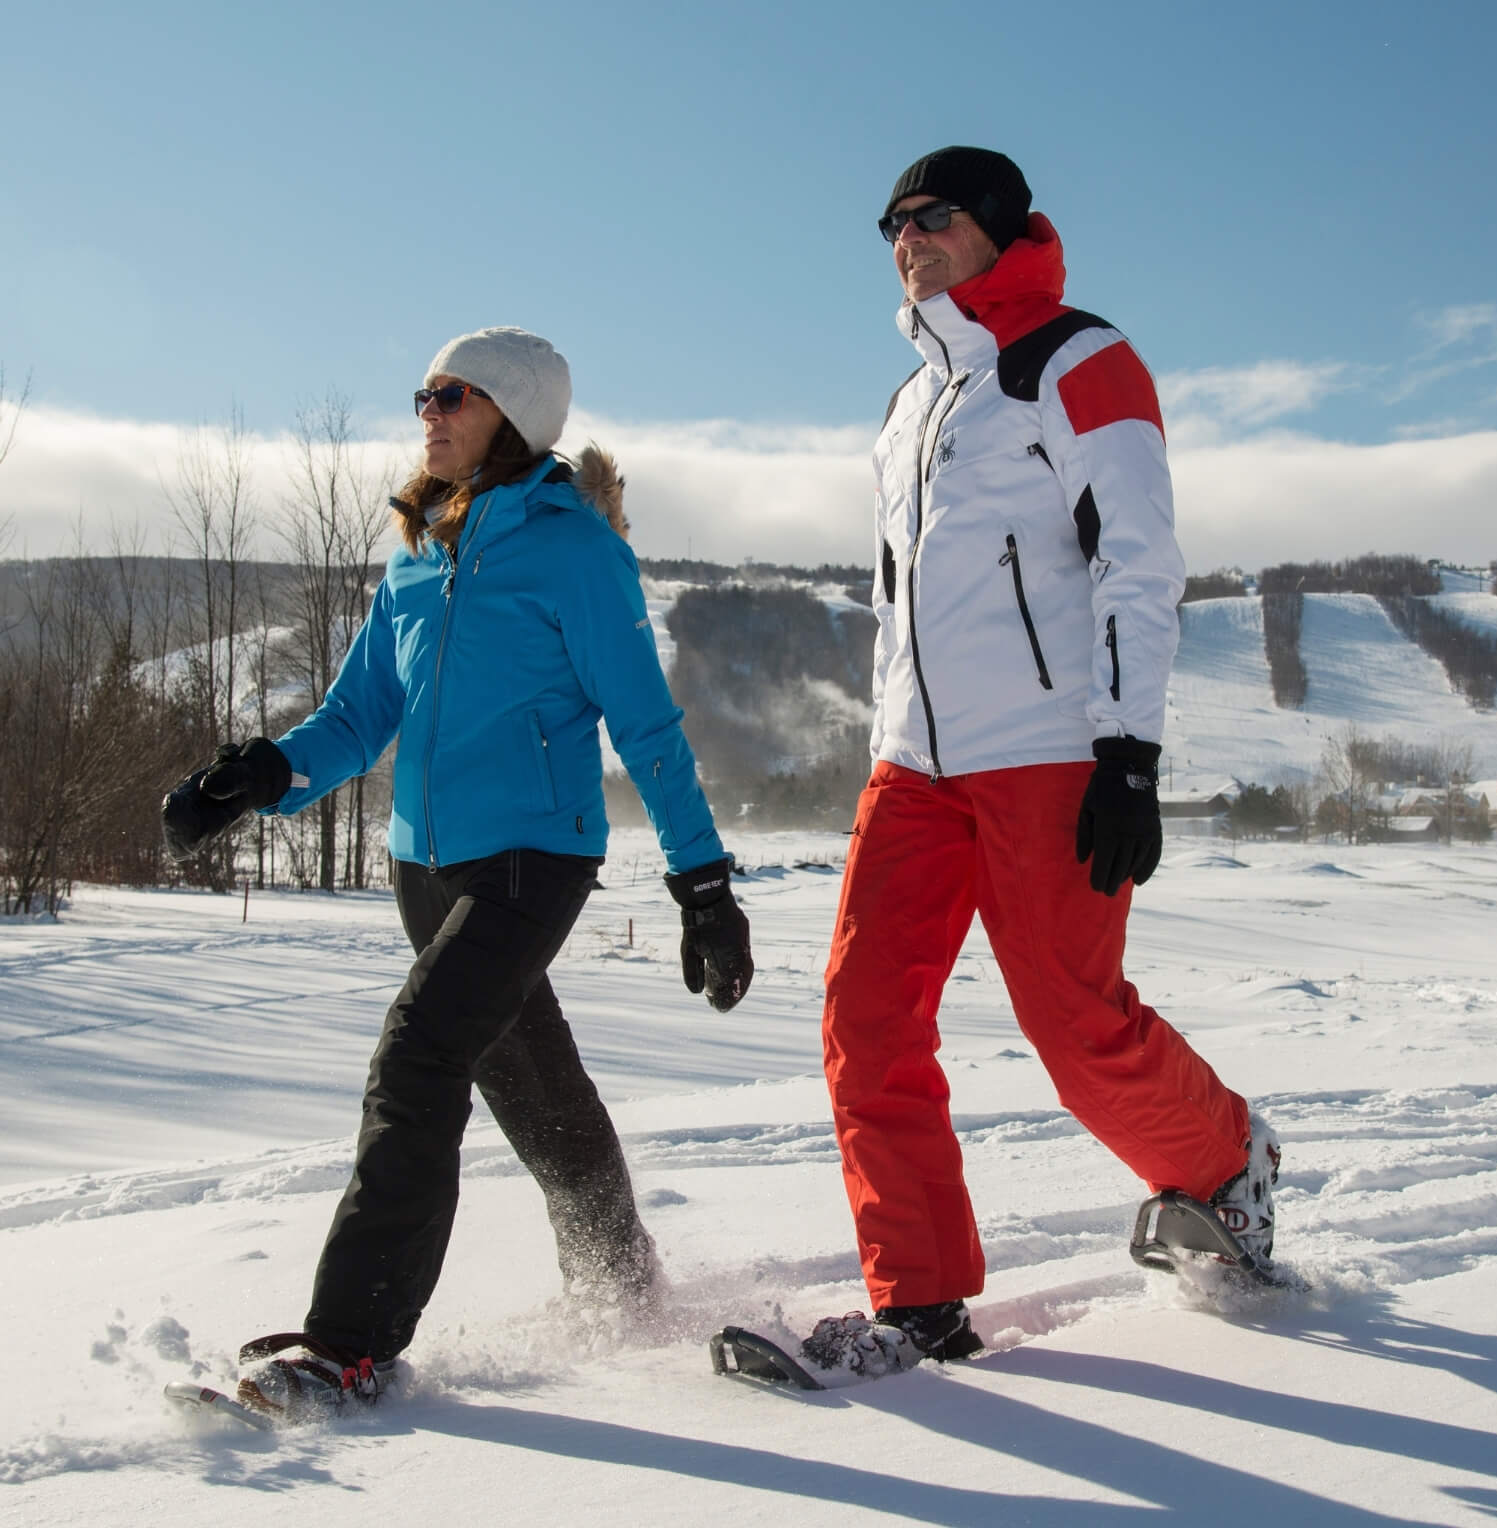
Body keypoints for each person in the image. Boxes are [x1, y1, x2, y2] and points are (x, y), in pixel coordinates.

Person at [161, 326, 753, 1416]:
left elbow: (648, 728)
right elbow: (359, 714)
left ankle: (353, 1347)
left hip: (534, 854)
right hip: (421, 864)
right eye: (424, 394)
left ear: (514, 416)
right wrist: (263, 775)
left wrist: (702, 882)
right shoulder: (414, 547)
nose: (427, 411)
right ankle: (622, 1285)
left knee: (416, 1058)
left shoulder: (575, 549)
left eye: (453, 395)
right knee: (532, 1086)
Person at [805, 149, 1279, 1374]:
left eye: (931, 215)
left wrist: (1126, 749)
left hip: (1048, 752)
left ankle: (1221, 1160)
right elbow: (897, 596)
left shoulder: (1079, 359)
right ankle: (917, 1300)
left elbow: (1138, 559)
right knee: (867, 1022)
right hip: (911, 764)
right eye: (889, 222)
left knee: (1072, 1023)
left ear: (1000, 227)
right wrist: (882, 732)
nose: (904, 236)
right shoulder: (911, 403)